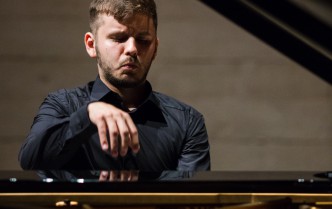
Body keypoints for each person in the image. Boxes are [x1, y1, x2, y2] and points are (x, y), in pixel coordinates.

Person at [19, 0, 210, 172]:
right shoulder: (62, 105)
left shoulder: (187, 122)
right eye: (119, 38)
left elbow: (191, 194)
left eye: (143, 41)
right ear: (91, 45)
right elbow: (30, 160)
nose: (132, 49)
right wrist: (86, 115)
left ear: (155, 49)